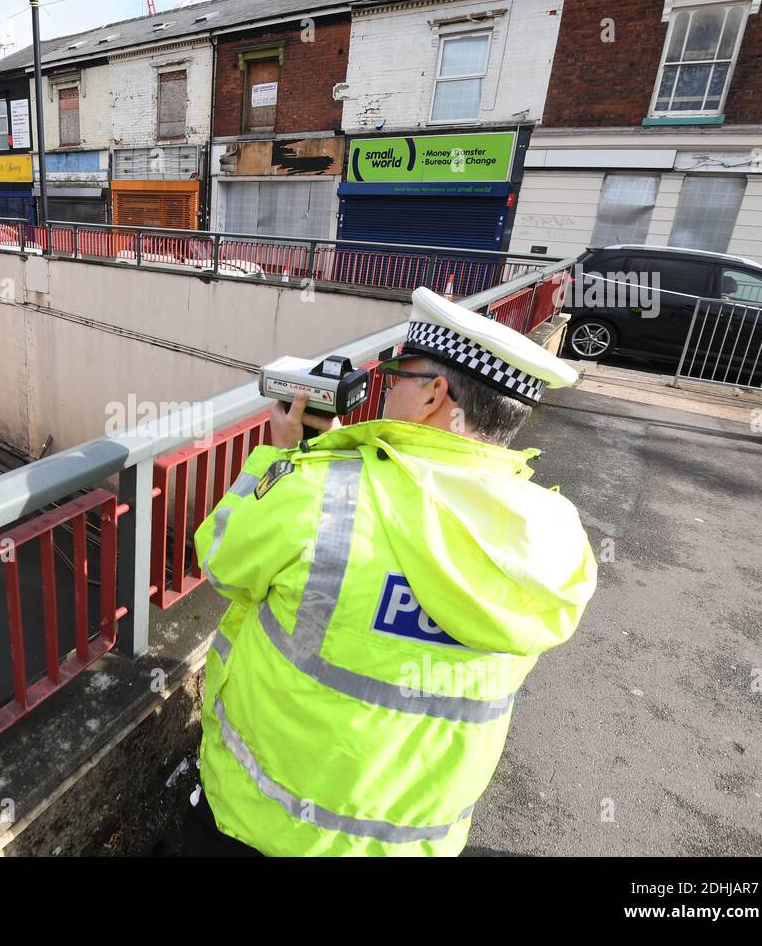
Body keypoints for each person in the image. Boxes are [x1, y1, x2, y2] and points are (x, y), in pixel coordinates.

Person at [186, 286, 598, 857]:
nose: (384, 386)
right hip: (414, 840)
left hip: (266, 825)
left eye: (397, 373)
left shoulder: (317, 494)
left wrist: (287, 460)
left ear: (434, 394)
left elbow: (222, 562)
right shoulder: (555, 535)